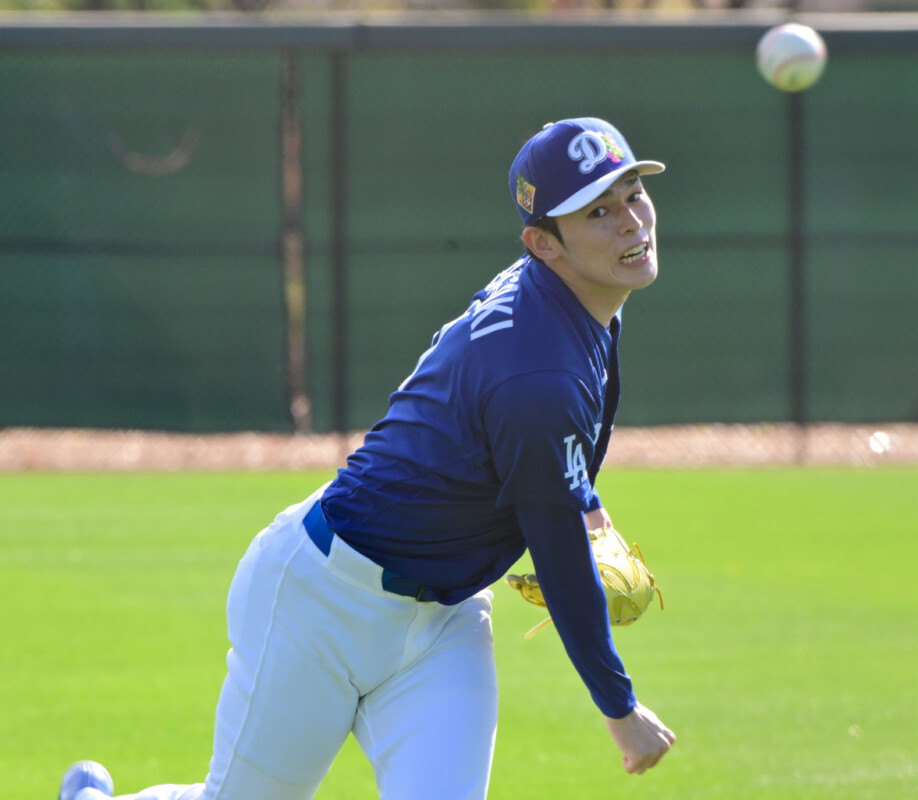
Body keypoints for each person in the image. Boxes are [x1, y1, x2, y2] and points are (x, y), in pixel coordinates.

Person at [58, 117, 675, 800]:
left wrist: (588, 508)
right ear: (542, 244)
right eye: (597, 211)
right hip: (319, 600)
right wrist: (620, 711)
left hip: (443, 620)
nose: (629, 221)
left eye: (631, 193)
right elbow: (558, 558)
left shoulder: (576, 301)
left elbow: (530, 445)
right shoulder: (538, 376)